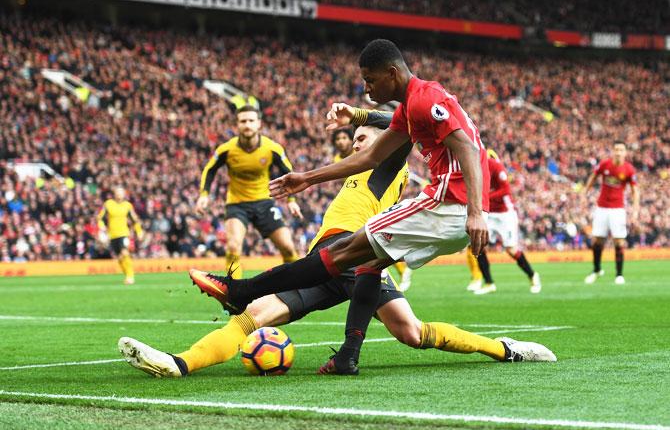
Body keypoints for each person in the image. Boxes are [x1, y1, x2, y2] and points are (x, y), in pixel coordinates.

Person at [119, 123, 555, 378]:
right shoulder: (356, 166)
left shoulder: (390, 162)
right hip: (337, 261)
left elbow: (398, 122)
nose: (357, 141)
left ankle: (504, 349)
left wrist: (364, 115)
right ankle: (180, 363)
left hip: (357, 252)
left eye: (365, 136)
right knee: (254, 317)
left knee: (411, 332)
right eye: (355, 137)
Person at [188, 38, 501, 375]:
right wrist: (307, 177)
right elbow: (370, 154)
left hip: (448, 202)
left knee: (342, 255)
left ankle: (241, 289)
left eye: (369, 79)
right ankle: (348, 356)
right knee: (377, 279)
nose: (365, 87)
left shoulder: (422, 104)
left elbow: (466, 148)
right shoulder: (415, 106)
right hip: (452, 207)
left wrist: (476, 212)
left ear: (392, 73)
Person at [196, 104, 303, 279]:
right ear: (236, 125)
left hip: (264, 202)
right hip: (237, 204)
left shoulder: (272, 148)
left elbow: (289, 175)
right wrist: (204, 195)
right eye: (243, 121)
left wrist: (291, 201)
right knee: (233, 247)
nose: (247, 125)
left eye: (251, 121)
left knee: (288, 247)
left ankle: (295, 285)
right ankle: (235, 295)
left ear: (259, 123)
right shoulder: (227, 149)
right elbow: (209, 169)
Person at [332, 125, 414, 290]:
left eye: (344, 138)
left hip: (376, 207)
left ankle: (393, 277)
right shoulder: (338, 160)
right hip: (361, 206)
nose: (341, 142)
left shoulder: (382, 156)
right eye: (338, 139)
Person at [470, 149, 541, 295]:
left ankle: (533, 275)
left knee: (511, 249)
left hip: (504, 214)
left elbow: (505, 190)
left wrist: (485, 196)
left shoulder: (496, 167)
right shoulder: (474, 166)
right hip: (489, 212)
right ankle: (489, 283)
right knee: (477, 245)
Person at [582, 142, 640, 285]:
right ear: (612, 151)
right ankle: (596, 270)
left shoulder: (629, 169)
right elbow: (593, 177)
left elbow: (635, 190)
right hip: (601, 208)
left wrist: (635, 210)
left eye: (621, 150)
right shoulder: (604, 165)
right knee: (597, 240)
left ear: (625, 152)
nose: (618, 152)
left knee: (619, 241)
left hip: (617, 209)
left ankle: (619, 275)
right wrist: (584, 193)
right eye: (616, 149)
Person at [96, 186, 143, 285]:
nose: (119, 194)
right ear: (114, 193)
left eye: (121, 192)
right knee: (120, 258)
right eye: (117, 192)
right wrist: (102, 226)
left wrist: (139, 231)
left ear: (124, 194)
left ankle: (130, 276)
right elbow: (100, 218)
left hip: (124, 234)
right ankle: (127, 275)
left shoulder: (127, 206)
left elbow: (135, 220)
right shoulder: (108, 204)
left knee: (125, 253)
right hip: (112, 235)